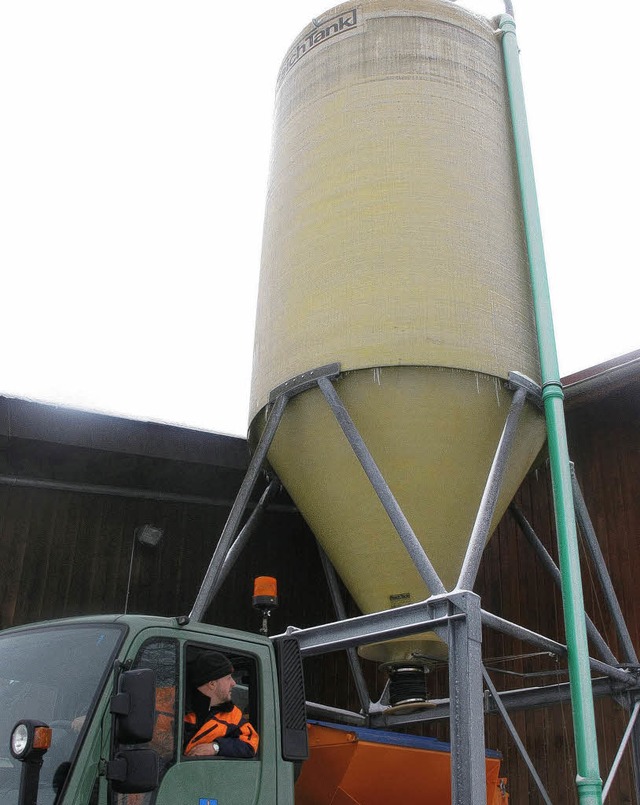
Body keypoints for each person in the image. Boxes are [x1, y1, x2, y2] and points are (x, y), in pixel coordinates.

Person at [183, 650, 259, 758]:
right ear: (212, 684)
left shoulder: (233, 715)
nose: (234, 683)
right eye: (228, 678)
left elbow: (251, 745)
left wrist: (216, 747)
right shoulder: (172, 704)